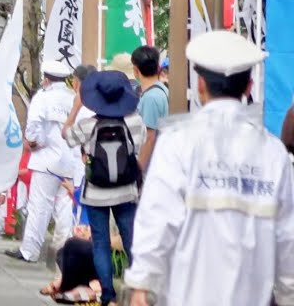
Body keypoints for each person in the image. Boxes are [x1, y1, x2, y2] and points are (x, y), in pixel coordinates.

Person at [124, 30, 294, 306]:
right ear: (248, 87)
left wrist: (142, 284)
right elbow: (288, 238)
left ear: (200, 85)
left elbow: (157, 218)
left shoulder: (178, 144)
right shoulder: (274, 155)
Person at [63, 69, 146, 306]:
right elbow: (138, 147)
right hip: (126, 190)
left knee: (101, 243)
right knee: (131, 239)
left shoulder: (88, 125)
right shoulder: (135, 122)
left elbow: (66, 136)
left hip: (96, 192)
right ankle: (138, 291)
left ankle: (108, 295)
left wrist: (76, 108)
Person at [9, 59, 78, 264]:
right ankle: (66, 247)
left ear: (46, 79)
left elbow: (33, 126)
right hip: (70, 161)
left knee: (40, 206)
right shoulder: (73, 98)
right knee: (65, 205)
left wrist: (33, 143)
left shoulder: (43, 97)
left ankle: (30, 250)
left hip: (47, 159)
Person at [132, 46, 168, 170]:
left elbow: (149, 137)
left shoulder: (150, 98)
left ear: (136, 70)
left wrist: (138, 171)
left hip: (153, 165)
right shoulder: (163, 90)